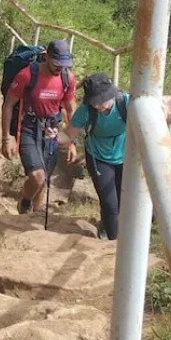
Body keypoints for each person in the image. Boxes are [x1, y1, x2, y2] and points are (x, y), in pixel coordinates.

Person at [1, 39, 77, 214]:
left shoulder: (67, 78)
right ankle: (25, 203)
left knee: (45, 177)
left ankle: (35, 214)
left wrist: (72, 142)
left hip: (52, 130)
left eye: (64, 64)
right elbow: (8, 105)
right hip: (29, 128)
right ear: (47, 56)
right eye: (57, 63)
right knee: (37, 175)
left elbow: (70, 109)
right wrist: (6, 137)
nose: (60, 68)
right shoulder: (27, 75)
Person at [70, 72, 129, 241]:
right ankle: (114, 242)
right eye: (94, 101)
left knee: (125, 201)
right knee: (110, 203)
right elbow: (68, 134)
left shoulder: (125, 102)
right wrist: (53, 136)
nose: (98, 105)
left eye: (102, 100)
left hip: (126, 156)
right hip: (98, 158)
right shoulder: (86, 110)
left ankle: (107, 225)